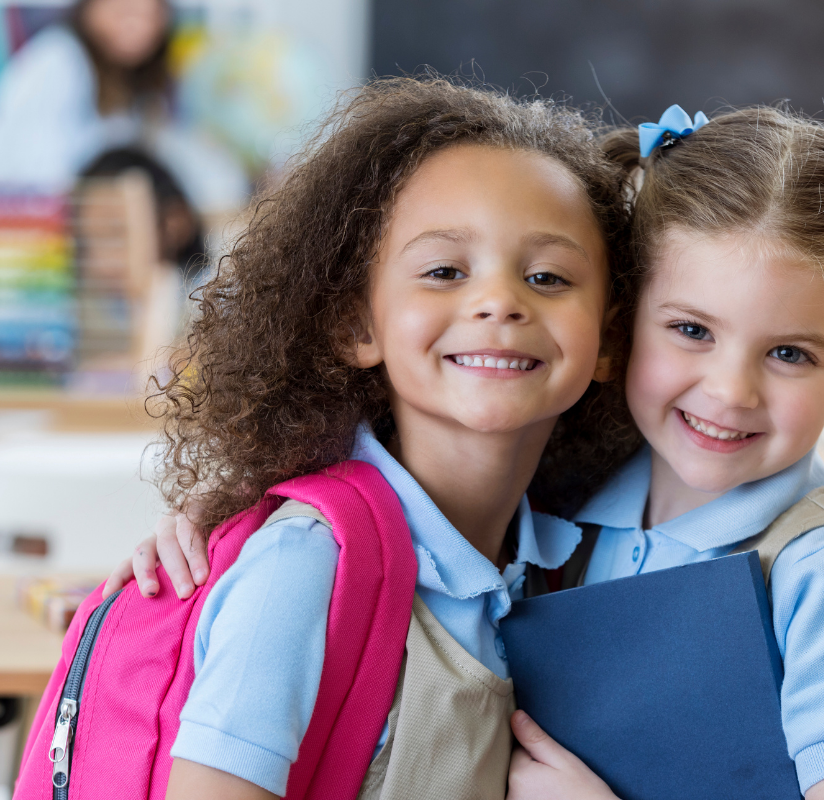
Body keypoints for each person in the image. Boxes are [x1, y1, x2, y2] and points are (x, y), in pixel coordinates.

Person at [107, 75, 633, 799]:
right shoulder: (306, 567)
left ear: (608, 339)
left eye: (547, 276)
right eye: (444, 270)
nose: (499, 301)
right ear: (357, 325)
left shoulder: (559, 563)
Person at [502, 105, 824, 800]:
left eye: (789, 353)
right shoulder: (552, 504)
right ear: (620, 323)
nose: (731, 391)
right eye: (692, 330)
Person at [0, 0, 247, 214]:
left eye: (147, 13)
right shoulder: (58, 60)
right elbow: (34, 178)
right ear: (88, 9)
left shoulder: (141, 85)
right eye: (122, 9)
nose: (135, 24)